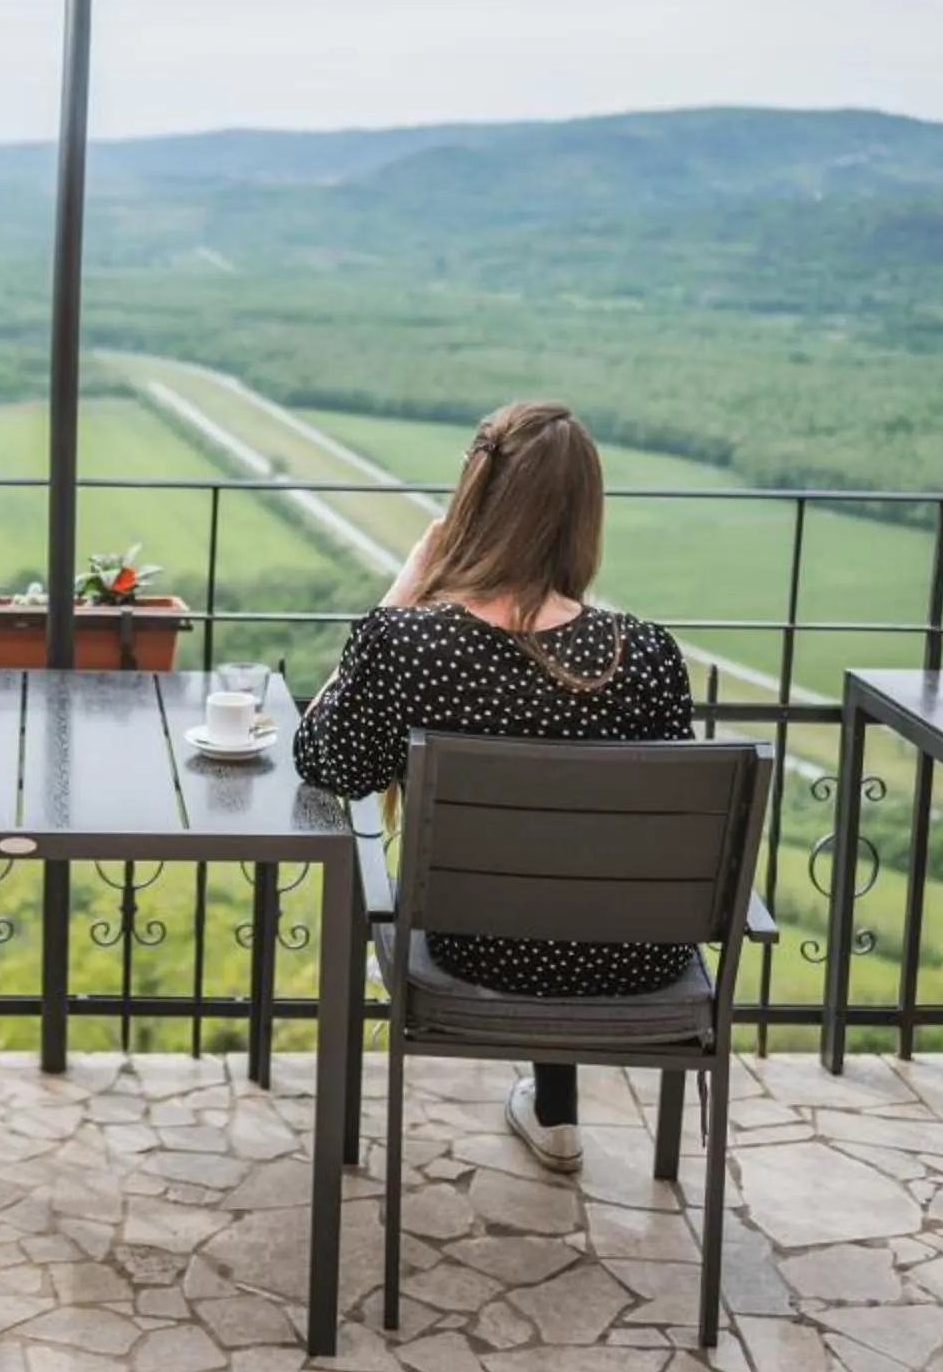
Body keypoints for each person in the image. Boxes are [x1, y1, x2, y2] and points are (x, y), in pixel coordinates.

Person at [294, 399, 696, 1173]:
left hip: (481, 950)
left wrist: (398, 596)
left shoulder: (412, 644)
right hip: (636, 959)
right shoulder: (647, 654)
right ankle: (556, 1112)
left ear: (472, 502)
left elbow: (328, 761)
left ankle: (551, 1111)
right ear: (586, 516)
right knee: (567, 871)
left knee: (525, 888)